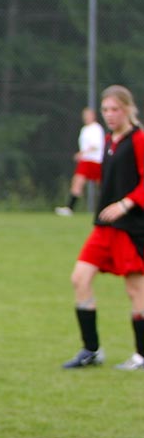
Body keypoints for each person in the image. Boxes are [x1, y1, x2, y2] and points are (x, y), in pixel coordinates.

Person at [60, 85, 144, 371]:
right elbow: (103, 176)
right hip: (104, 227)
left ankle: (141, 355)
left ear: (128, 109)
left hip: (130, 227)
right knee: (80, 278)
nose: (109, 115)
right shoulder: (110, 141)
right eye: (106, 110)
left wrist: (126, 203)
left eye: (115, 109)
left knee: (136, 290)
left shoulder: (138, 139)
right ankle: (91, 350)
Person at [56, 107, 105, 217]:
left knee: (102, 185)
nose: (86, 117)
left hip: (95, 160)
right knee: (77, 181)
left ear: (93, 116)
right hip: (86, 160)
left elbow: (95, 145)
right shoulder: (85, 129)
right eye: (85, 115)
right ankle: (69, 208)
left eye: (88, 115)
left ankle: (107, 206)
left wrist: (81, 153)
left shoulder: (96, 128)